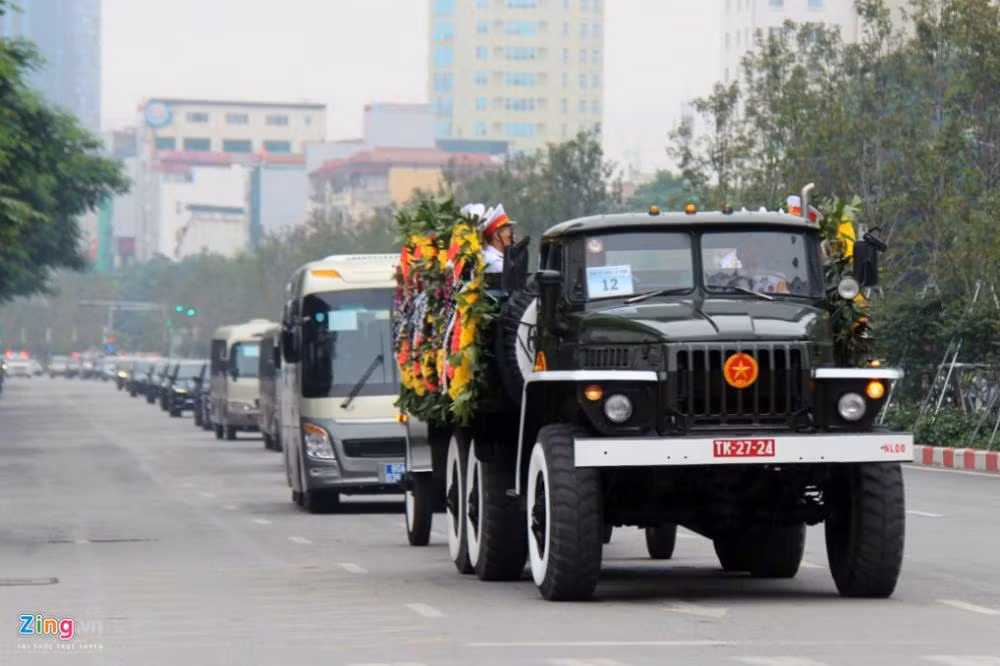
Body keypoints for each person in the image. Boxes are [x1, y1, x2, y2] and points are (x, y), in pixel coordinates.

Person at [478, 203, 516, 274]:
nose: (514, 236)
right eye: (510, 231)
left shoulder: (498, 258)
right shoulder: (494, 261)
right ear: (497, 235)